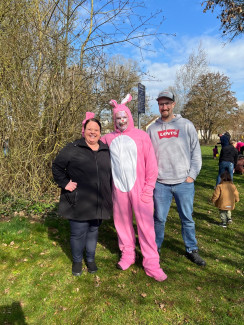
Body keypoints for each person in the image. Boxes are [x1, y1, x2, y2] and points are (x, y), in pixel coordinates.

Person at [101, 94, 167, 282]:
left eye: (124, 117)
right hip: (119, 190)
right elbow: (91, 140)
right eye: (117, 118)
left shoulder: (141, 136)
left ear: (129, 117)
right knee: (122, 225)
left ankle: (152, 263)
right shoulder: (109, 138)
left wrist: (148, 188)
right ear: (114, 120)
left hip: (140, 190)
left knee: (146, 227)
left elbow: (152, 165)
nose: (121, 121)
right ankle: (128, 255)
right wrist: (86, 124)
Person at [147, 90, 206, 266]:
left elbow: (196, 153)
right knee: (159, 219)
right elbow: (147, 156)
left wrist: (191, 176)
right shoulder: (152, 129)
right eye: (161, 104)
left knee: (187, 218)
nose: (164, 107)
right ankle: (154, 249)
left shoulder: (186, 125)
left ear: (173, 104)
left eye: (167, 103)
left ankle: (191, 249)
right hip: (161, 184)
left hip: (183, 183)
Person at [52, 113, 113, 276]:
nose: (92, 132)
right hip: (79, 200)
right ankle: (77, 261)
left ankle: (91, 259)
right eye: (89, 129)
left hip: (98, 200)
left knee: (93, 231)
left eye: (96, 130)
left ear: (100, 132)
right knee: (78, 233)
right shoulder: (73, 148)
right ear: (83, 131)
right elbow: (57, 167)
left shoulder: (106, 149)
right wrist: (65, 183)